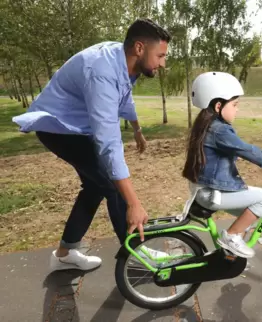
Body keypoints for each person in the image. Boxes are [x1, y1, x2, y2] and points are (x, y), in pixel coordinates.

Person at [12, 18, 171, 271]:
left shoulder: (125, 62)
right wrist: (134, 203)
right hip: (58, 128)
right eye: (161, 55)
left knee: (96, 186)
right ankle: (137, 256)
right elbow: (108, 142)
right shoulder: (102, 72)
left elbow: (124, 98)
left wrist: (138, 129)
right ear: (139, 48)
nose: (163, 63)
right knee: (112, 185)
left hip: (75, 128)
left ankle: (65, 253)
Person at [182, 71, 262, 258]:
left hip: (204, 189)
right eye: (235, 104)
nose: (237, 109)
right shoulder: (219, 130)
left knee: (250, 214)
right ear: (219, 105)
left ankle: (230, 257)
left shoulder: (207, 125)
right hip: (211, 193)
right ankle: (230, 237)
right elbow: (249, 151)